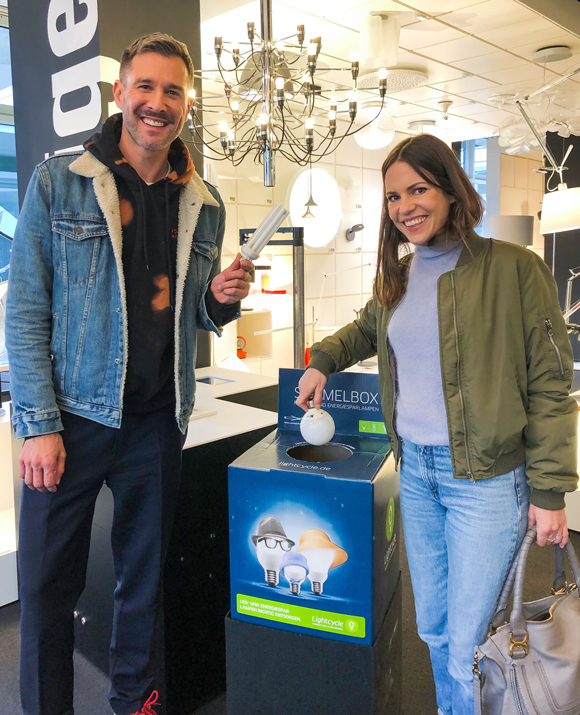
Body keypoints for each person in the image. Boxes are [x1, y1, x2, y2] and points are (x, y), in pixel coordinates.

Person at [6, 33, 252, 715]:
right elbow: (25, 311)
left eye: (173, 91)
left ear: (186, 106)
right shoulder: (61, 182)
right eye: (145, 86)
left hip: (153, 425)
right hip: (71, 422)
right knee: (50, 589)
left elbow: (194, 314)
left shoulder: (203, 200)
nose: (157, 103)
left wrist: (219, 300)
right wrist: (37, 424)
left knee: (142, 589)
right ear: (120, 94)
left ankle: (134, 705)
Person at [296, 134, 578, 715]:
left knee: (472, 641)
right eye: (394, 197)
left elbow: (552, 383)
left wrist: (550, 491)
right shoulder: (398, 278)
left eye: (418, 189)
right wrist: (322, 359)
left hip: (487, 484)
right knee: (434, 628)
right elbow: (363, 330)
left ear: (450, 188)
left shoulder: (514, 270)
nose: (405, 208)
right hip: (416, 476)